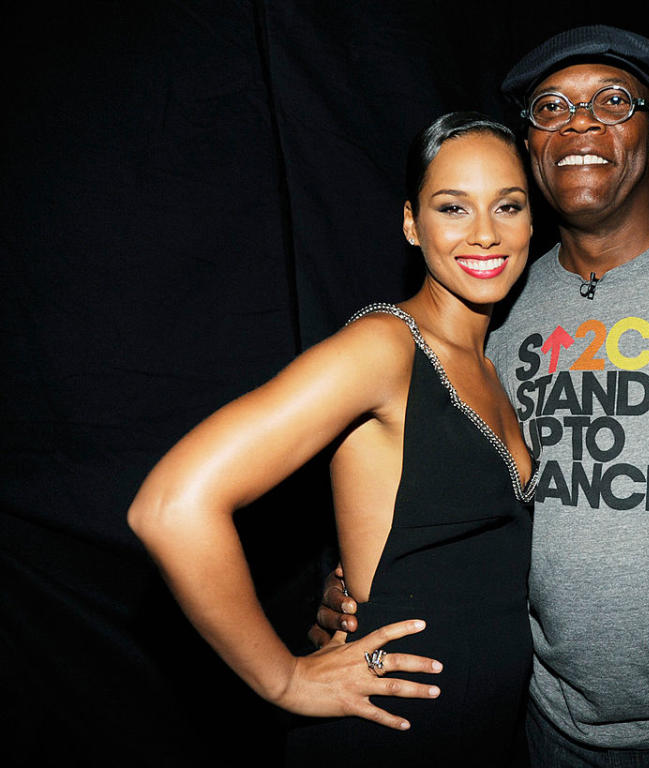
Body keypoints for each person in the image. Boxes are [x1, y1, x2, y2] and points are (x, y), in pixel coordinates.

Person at [318, 25, 649, 767]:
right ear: (530, 149)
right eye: (550, 107)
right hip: (540, 721)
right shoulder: (498, 303)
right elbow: (446, 485)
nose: (578, 123)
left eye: (612, 102)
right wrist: (362, 585)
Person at [128, 111, 540, 767]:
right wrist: (284, 680)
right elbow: (171, 506)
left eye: (508, 205)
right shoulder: (384, 346)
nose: (485, 233)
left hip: (485, 735)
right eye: (453, 207)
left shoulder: (496, 363)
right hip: (388, 735)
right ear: (412, 223)